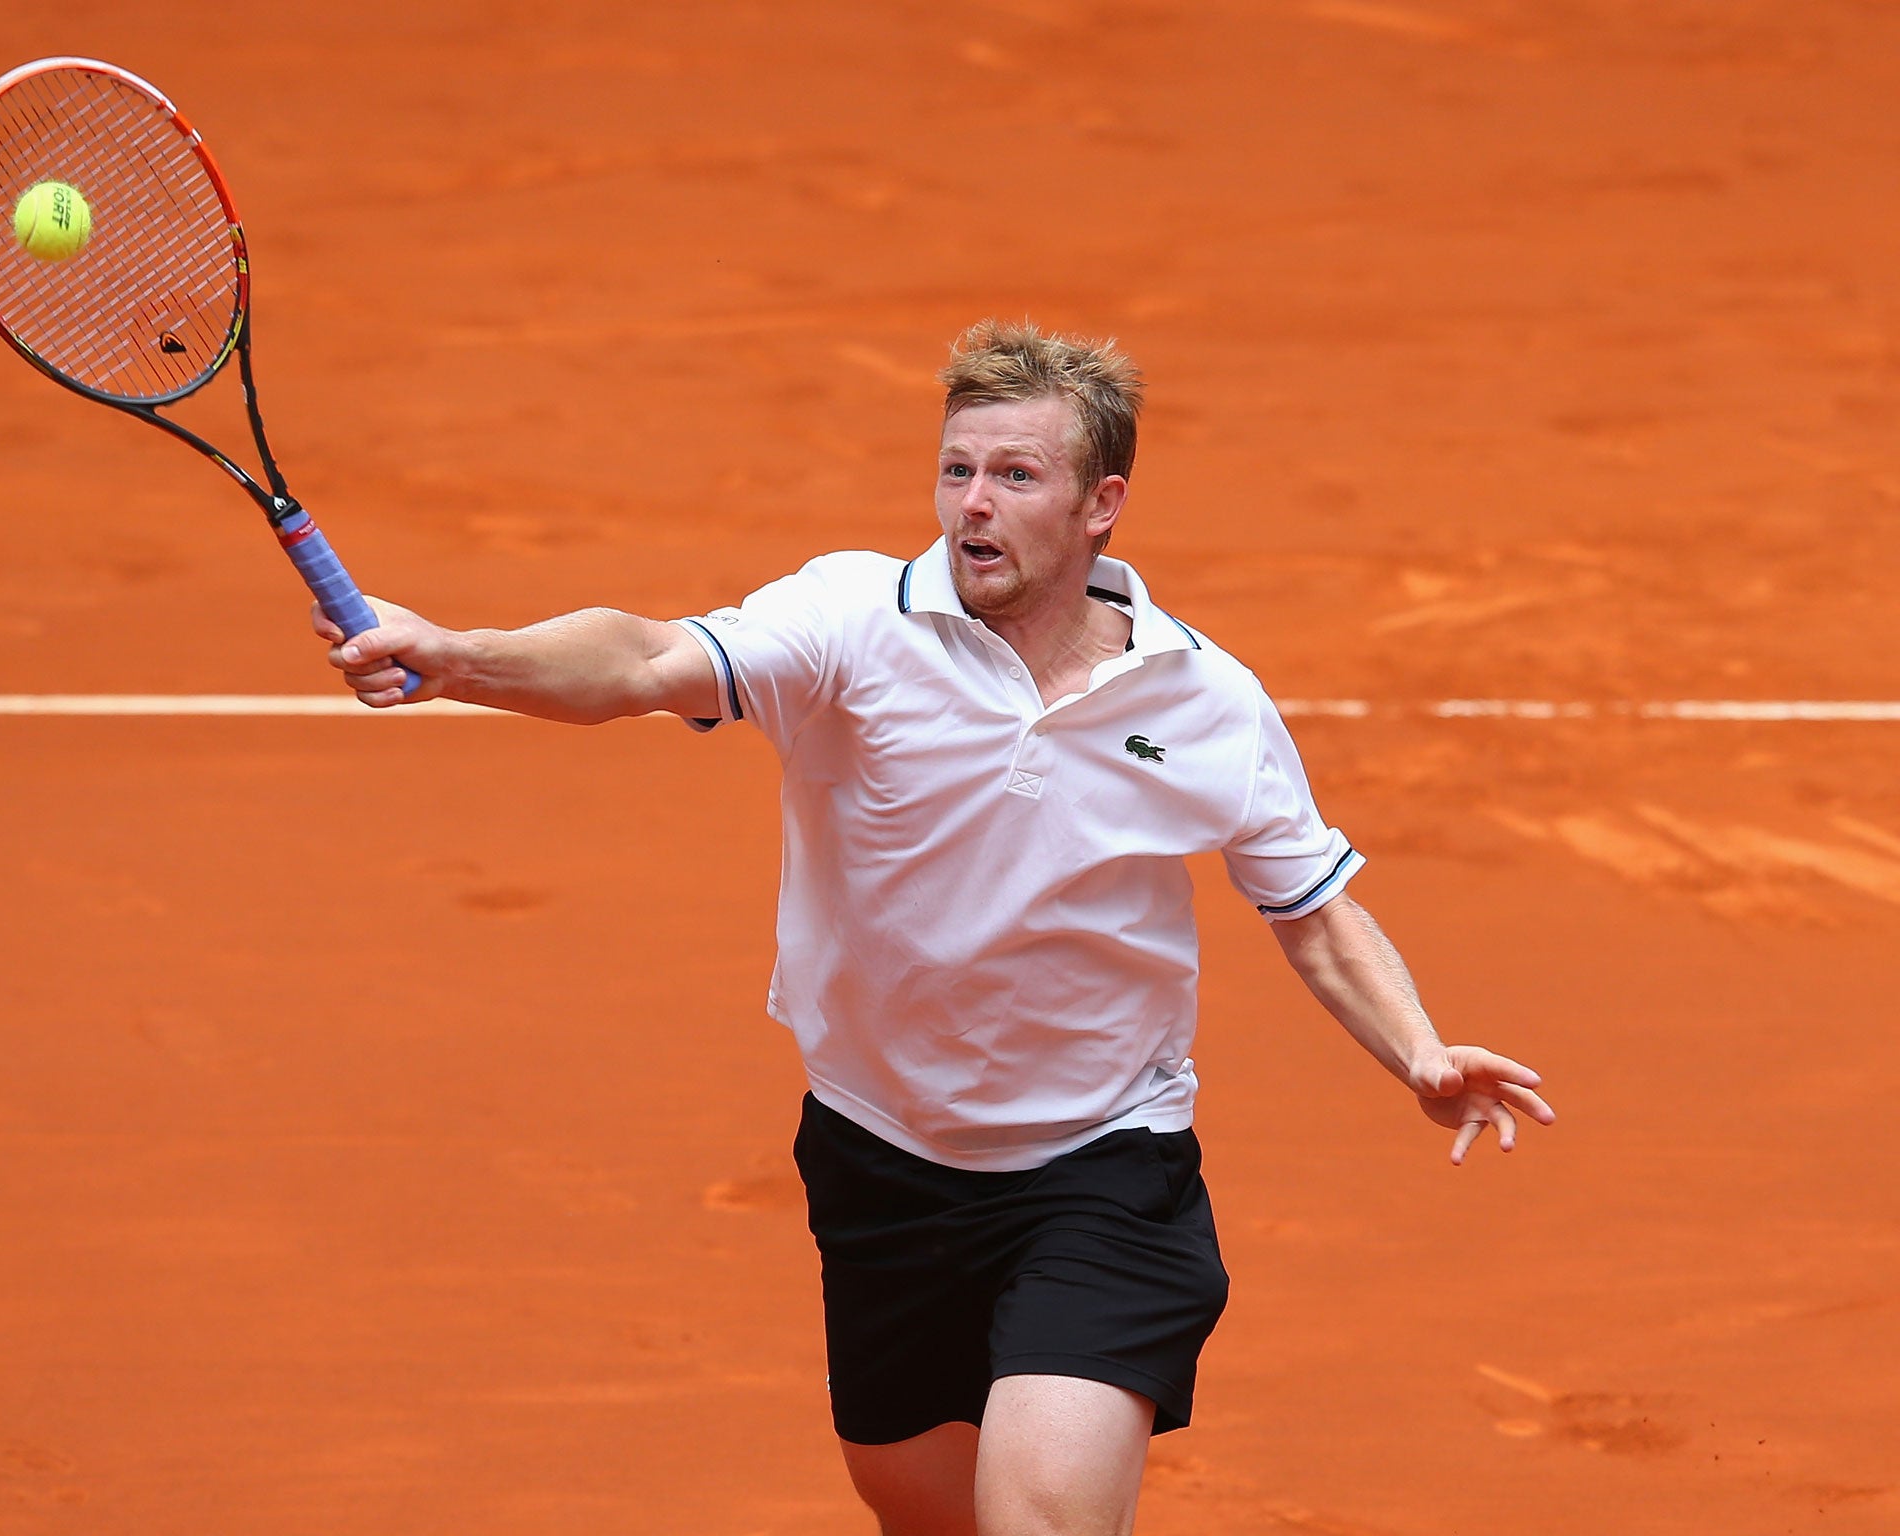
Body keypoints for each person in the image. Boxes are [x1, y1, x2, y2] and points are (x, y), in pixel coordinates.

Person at [314, 319, 1555, 1536]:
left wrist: (1418, 1051)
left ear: (1098, 505)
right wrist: (466, 658)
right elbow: (641, 661)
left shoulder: (1201, 699)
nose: (973, 503)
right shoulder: (851, 622)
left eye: (1016, 476)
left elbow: (1314, 915)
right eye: (957, 469)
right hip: (878, 1159)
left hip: (1100, 1167)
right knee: (916, 1506)